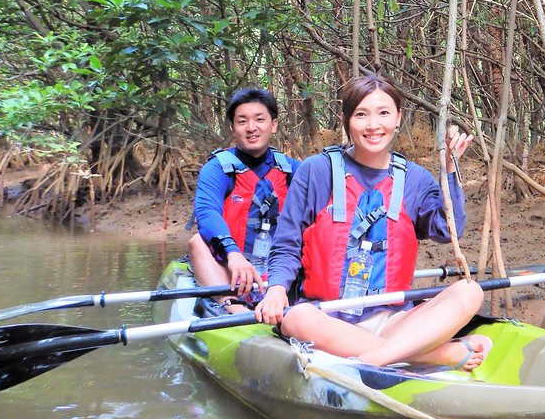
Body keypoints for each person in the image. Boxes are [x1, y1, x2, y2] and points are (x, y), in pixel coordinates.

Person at [254, 74, 489, 371]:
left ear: (398, 117)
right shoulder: (316, 171)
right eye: (361, 114)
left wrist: (449, 173)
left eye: (383, 113)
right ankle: (428, 355)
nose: (373, 125)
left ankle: (371, 360)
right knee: (297, 318)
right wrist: (276, 289)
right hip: (326, 317)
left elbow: (446, 230)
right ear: (346, 119)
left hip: (392, 320)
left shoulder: (415, 179)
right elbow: (287, 243)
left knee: (470, 292)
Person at [189, 88, 299, 313]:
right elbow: (207, 212)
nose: (251, 128)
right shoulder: (217, 169)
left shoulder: (292, 169)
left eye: (260, 119)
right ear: (233, 128)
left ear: (274, 125)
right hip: (230, 265)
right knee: (197, 242)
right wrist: (232, 253)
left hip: (277, 269)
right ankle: (232, 306)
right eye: (242, 121)